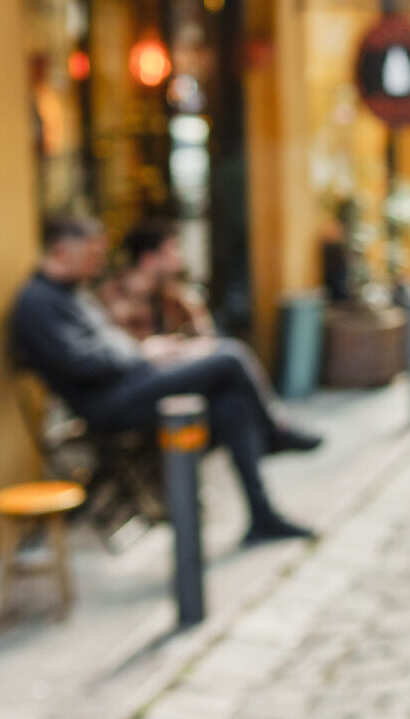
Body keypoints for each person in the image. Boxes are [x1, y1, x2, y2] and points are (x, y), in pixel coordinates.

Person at [12, 216, 319, 544]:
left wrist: (153, 352)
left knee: (233, 405)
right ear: (60, 252)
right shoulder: (37, 303)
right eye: (90, 257)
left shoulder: (71, 293)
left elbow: (111, 346)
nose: (96, 266)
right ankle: (275, 432)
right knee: (229, 357)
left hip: (132, 382)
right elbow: (82, 362)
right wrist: (143, 352)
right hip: (109, 405)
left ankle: (263, 516)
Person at [99, 218, 216, 342]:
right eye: (172, 250)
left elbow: (206, 336)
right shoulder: (114, 298)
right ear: (148, 260)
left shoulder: (174, 294)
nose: (179, 259)